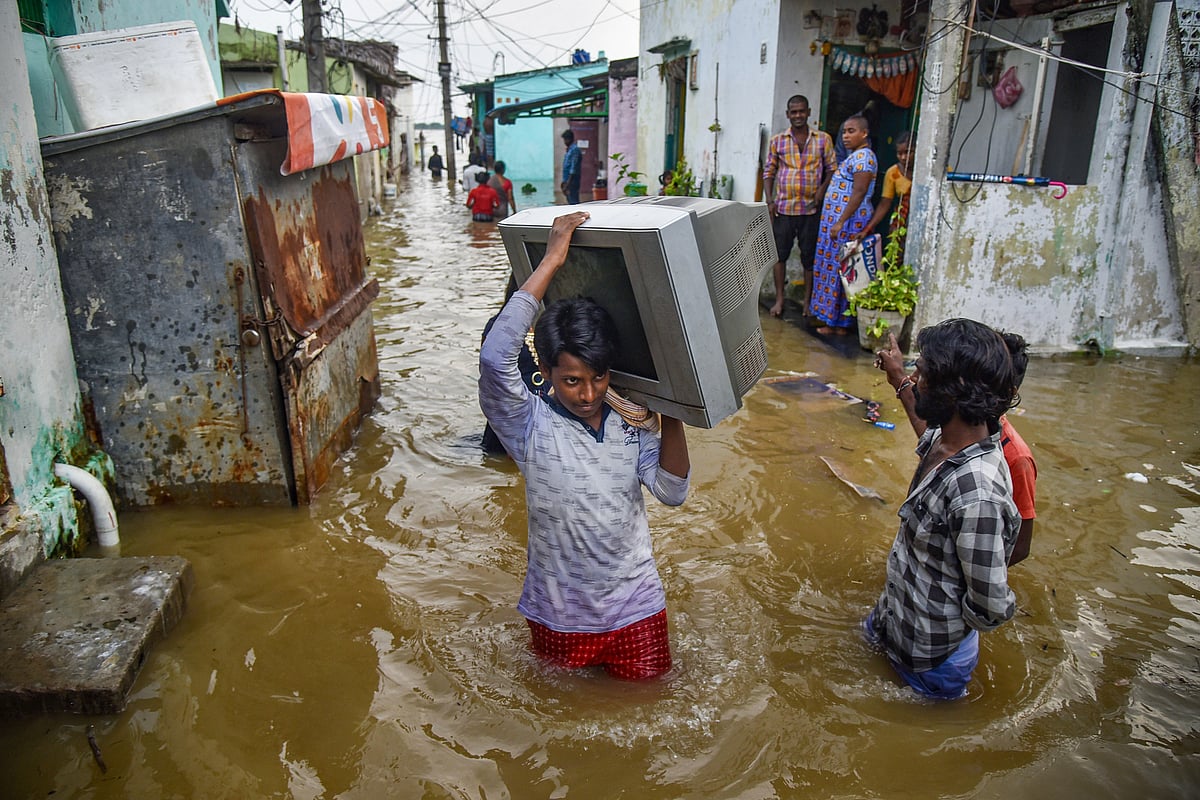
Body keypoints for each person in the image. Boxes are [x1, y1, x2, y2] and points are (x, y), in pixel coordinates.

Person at [478, 211, 691, 680]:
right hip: (559, 613)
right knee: (563, 726)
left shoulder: (632, 420)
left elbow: (673, 492)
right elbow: (496, 356)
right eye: (572, 381)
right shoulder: (527, 424)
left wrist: (675, 409)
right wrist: (553, 258)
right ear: (548, 373)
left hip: (638, 607)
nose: (589, 394)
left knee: (650, 718)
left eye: (598, 377)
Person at [862, 318, 1020, 700]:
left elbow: (991, 606)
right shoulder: (946, 441)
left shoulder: (977, 492)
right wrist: (897, 379)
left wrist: (940, 618)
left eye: (923, 371)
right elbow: (924, 427)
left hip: (931, 658)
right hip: (892, 620)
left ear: (954, 389)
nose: (916, 379)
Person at [875, 329, 1038, 567]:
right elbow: (930, 438)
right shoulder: (950, 434)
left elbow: (1019, 547)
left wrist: (955, 571)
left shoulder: (1014, 459)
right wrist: (899, 378)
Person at [762, 95, 837, 318]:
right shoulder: (778, 141)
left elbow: (832, 168)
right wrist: (770, 201)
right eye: (793, 112)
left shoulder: (823, 139)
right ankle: (779, 300)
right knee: (780, 255)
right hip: (784, 208)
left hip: (811, 210)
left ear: (808, 112)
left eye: (801, 111)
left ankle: (807, 303)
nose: (797, 116)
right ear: (788, 114)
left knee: (809, 258)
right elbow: (769, 172)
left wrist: (821, 191)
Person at [810, 114, 877, 335]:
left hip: (848, 224)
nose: (846, 136)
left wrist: (840, 221)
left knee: (844, 270)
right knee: (835, 269)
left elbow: (858, 193)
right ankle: (834, 321)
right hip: (840, 223)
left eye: (851, 131)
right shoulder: (855, 156)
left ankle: (839, 323)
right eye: (844, 132)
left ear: (864, 133)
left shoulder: (864, 158)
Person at [858, 131, 914, 246]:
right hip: (901, 223)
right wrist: (867, 229)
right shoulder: (893, 173)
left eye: (908, 153)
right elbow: (885, 203)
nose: (903, 157)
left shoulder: (933, 171)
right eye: (899, 153)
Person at [560, 129, 582, 205]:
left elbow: (573, 169)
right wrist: (563, 182)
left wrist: (568, 184)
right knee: (570, 201)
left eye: (565, 140)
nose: (564, 142)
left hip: (572, 181)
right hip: (567, 180)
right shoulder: (569, 150)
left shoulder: (575, 150)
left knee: (574, 202)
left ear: (569, 139)